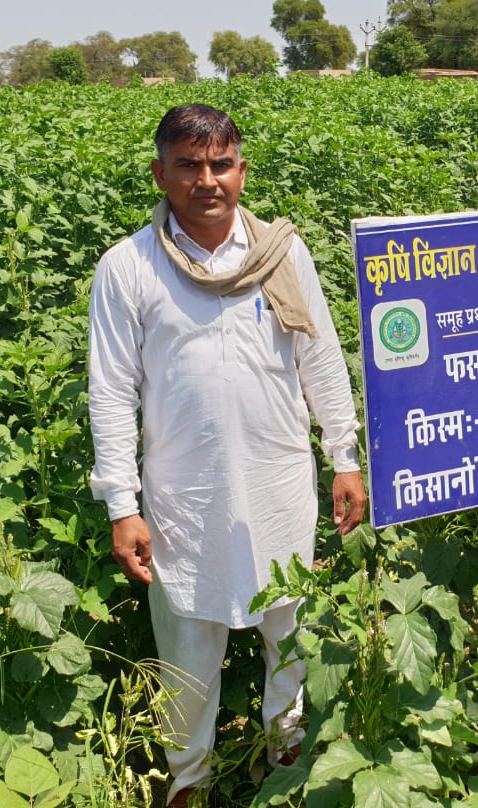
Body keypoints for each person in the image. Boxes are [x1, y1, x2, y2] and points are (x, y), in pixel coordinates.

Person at [87, 104, 366, 807]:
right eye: (188, 165)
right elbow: (111, 391)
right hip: (184, 496)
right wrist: (122, 504)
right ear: (160, 174)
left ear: (242, 170)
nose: (206, 180)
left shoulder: (281, 253)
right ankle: (189, 782)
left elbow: (320, 358)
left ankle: (287, 761)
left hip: (278, 483)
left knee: (290, 632)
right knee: (188, 648)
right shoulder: (128, 267)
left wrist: (344, 456)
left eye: (220, 164)